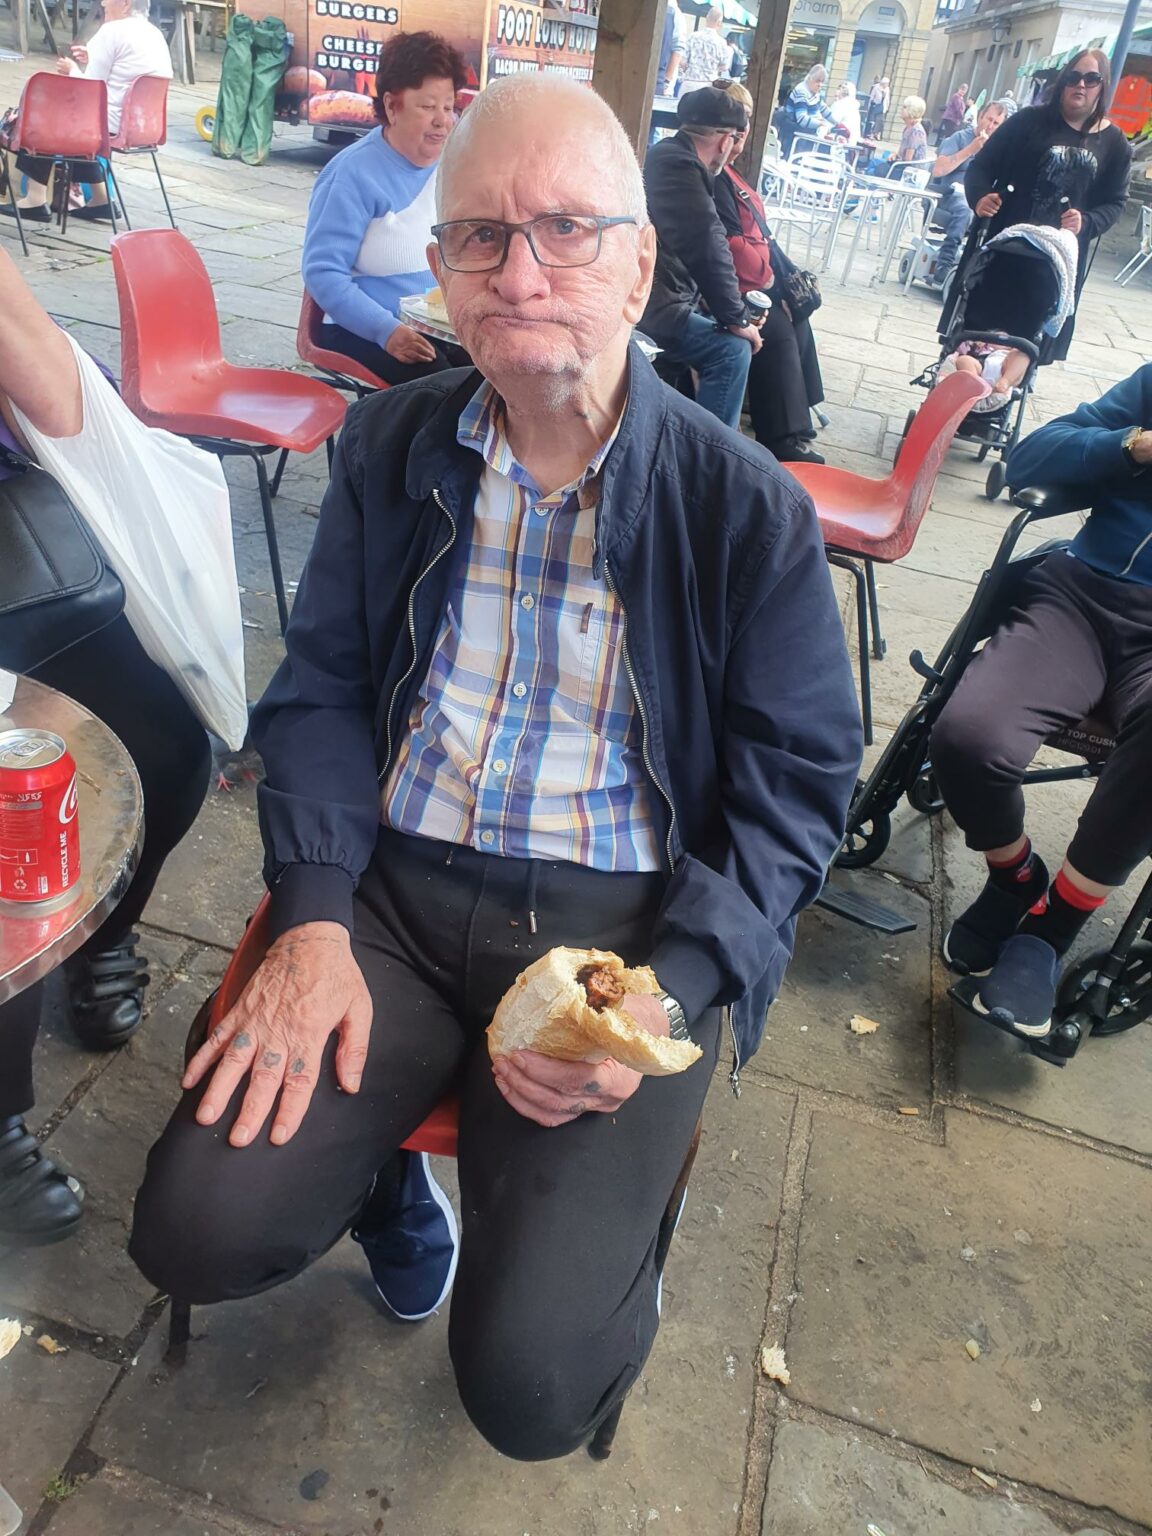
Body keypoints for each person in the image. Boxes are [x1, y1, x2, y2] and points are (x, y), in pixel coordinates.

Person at [129, 72, 862, 1461]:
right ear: (443, 268)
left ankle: (599, 1254)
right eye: (478, 235)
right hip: (397, 899)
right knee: (195, 1235)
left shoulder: (745, 508)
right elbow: (324, 688)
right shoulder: (391, 443)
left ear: (639, 263)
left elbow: (799, 792)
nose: (520, 274)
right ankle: (389, 1187)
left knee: (532, 1391)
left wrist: (668, 992)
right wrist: (314, 920)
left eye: (567, 230)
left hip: (616, 934)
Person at [0, 247, 213, 1245]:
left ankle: (102, 932)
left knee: (166, 739)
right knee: (8, 838)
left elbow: (52, 388)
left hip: (17, 540)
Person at [931, 364, 1152, 1036]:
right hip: (1080, 598)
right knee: (969, 736)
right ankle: (1017, 877)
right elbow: (1031, 458)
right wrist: (1131, 445)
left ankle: (1052, 927)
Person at [301, 31, 469, 385]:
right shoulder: (352, 174)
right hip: (364, 327)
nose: (442, 120)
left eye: (448, 106)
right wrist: (386, 331)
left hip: (435, 324)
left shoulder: (452, 167)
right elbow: (323, 273)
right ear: (392, 106)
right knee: (445, 389)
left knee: (496, 372)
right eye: (428, 107)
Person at [964, 49, 1132, 359]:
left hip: (1055, 267)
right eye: (1074, 77)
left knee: (1025, 350)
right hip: (1005, 251)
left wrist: (1087, 221)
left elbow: (1115, 202)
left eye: (1091, 78)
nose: (1080, 85)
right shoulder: (1028, 121)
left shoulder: (1115, 143)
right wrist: (980, 197)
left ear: (1103, 85)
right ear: (1063, 80)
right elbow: (981, 167)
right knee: (975, 341)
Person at [712, 79, 826, 463]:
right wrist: (769, 280)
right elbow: (729, 244)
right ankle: (780, 436)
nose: (742, 132)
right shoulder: (713, 176)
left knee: (798, 316)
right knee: (775, 326)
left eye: (746, 122)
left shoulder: (727, 173)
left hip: (751, 275)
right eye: (736, 123)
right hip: (730, 283)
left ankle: (798, 416)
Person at [640, 85, 762, 429]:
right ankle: (713, 453)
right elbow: (708, 242)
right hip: (652, 306)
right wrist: (736, 319)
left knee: (736, 336)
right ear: (725, 141)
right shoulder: (679, 166)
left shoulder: (671, 155)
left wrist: (731, 310)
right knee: (731, 351)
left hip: (662, 295)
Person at [0, 0, 171, 224]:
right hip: (144, 125)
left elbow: (89, 89)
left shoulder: (112, 30)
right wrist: (93, 58)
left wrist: (72, 69)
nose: (103, 3)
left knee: (43, 118)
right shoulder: (155, 34)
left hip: (109, 120)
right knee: (75, 123)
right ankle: (101, 199)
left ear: (125, 3)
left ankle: (35, 198)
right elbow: (122, 73)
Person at [926, 100, 1007, 288]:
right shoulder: (959, 138)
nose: (991, 126)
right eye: (989, 120)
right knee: (965, 209)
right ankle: (944, 264)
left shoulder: (998, 148)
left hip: (982, 197)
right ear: (980, 117)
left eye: (996, 123)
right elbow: (938, 170)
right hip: (951, 193)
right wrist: (971, 150)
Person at [937, 334, 1030, 414]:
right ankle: (974, 387)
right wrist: (976, 343)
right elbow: (962, 348)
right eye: (994, 337)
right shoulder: (982, 349)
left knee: (1023, 356)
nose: (999, 339)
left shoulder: (1011, 353)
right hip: (982, 370)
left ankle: (1005, 382)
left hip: (1005, 372)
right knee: (964, 360)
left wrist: (1016, 349)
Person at [780, 64, 836, 155]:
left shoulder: (813, 92)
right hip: (799, 134)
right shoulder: (801, 92)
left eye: (822, 82)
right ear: (810, 78)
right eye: (818, 81)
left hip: (808, 133)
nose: (820, 85)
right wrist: (821, 124)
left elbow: (824, 109)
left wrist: (838, 124)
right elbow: (802, 119)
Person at [679, 6, 732, 90]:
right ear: (719, 22)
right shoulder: (721, 42)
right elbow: (725, 66)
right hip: (709, 85)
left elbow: (682, 62)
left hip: (689, 83)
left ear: (707, 17)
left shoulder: (692, 37)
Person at [658, 0, 686, 95]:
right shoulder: (674, 12)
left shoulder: (673, 12)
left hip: (660, 80)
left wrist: (666, 81)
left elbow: (678, 50)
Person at [895, 95, 929, 163]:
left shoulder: (916, 131)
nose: (901, 109)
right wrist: (895, 156)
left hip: (910, 168)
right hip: (901, 164)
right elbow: (900, 154)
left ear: (913, 111)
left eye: (905, 107)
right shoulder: (908, 128)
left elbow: (908, 160)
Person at [829, 81, 861, 146]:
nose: (835, 98)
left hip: (838, 143)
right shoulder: (854, 107)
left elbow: (830, 123)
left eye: (836, 96)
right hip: (852, 144)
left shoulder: (840, 105)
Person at [938, 80, 968, 144]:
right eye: (962, 89)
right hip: (951, 119)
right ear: (959, 89)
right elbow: (958, 109)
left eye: (964, 90)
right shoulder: (956, 97)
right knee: (950, 135)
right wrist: (962, 118)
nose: (963, 91)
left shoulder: (960, 98)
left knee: (950, 135)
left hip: (953, 119)